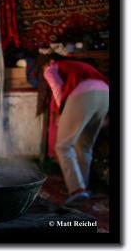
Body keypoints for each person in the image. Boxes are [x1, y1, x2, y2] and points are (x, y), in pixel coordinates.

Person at [35, 53, 109, 205]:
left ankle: (77, 190)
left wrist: (61, 112)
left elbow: (57, 87)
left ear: (49, 61)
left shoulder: (50, 67)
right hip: (105, 95)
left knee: (63, 146)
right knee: (85, 147)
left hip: (84, 94)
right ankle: (83, 186)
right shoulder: (77, 65)